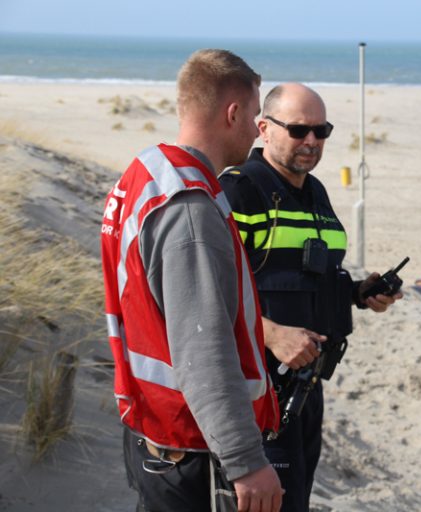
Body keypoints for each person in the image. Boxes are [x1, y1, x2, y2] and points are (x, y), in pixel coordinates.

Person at [100, 49, 284, 512]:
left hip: (158, 437)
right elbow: (203, 350)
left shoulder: (147, 173)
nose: (256, 131)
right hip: (191, 451)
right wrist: (246, 462)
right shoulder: (189, 207)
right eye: (254, 116)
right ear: (233, 112)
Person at [219, 83, 401, 512]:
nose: (312, 142)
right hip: (256, 396)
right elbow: (205, 294)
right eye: (299, 130)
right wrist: (269, 333)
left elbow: (310, 277)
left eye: (322, 131)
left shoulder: (315, 192)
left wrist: (360, 293)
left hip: (306, 390)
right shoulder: (239, 190)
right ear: (263, 128)